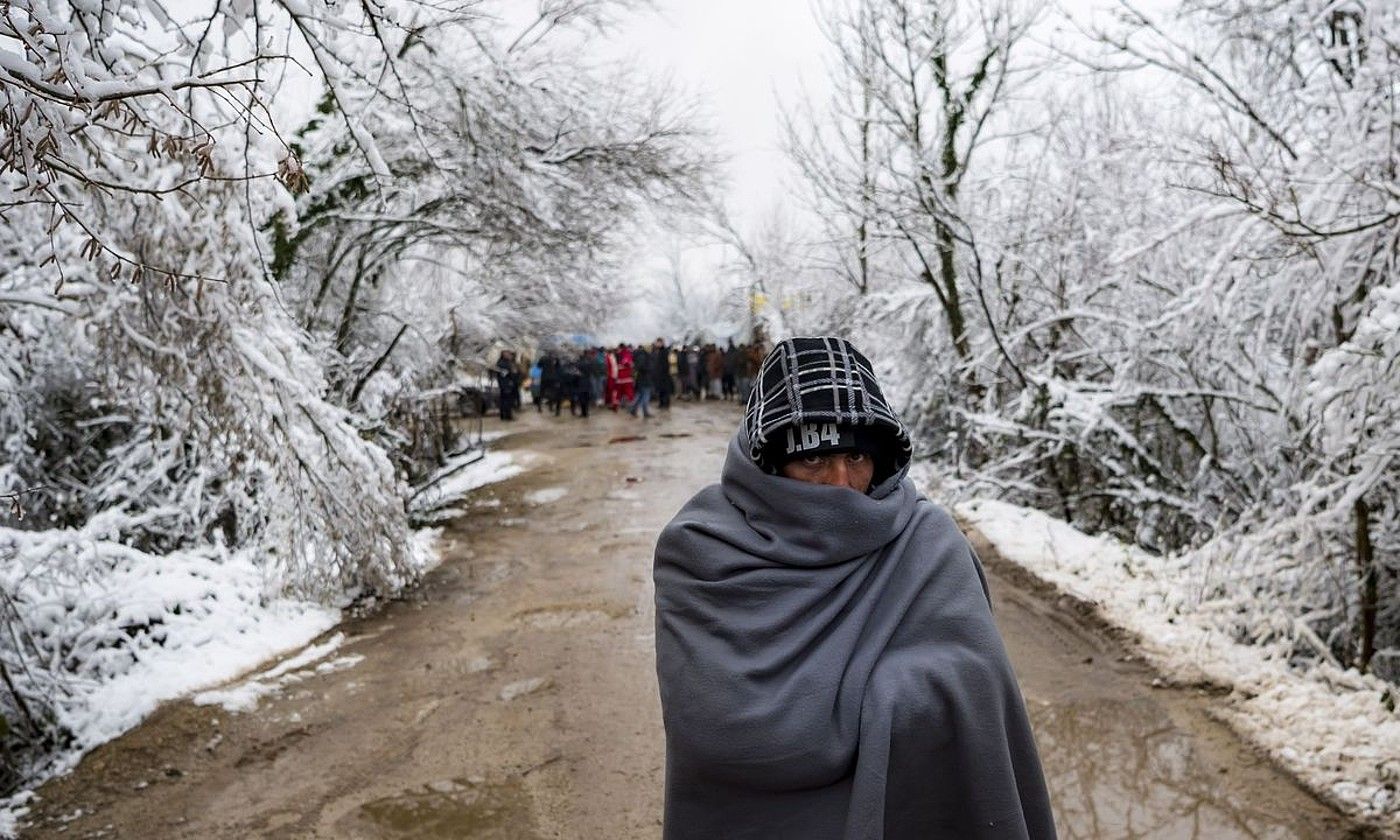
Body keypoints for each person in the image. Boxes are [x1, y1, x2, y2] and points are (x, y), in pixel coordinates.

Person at [653, 336, 1055, 840]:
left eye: (858, 459)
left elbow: (979, 684)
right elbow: (720, 729)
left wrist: (875, 694)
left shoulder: (926, 544)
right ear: (767, 464)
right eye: (815, 461)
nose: (842, 483)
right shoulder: (703, 552)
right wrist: (877, 695)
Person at [630, 342, 653, 419]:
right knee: (645, 396)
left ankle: (633, 409)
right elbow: (641, 367)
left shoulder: (640, 355)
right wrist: (649, 369)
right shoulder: (644, 356)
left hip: (641, 379)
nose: (651, 348)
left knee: (640, 395)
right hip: (645, 379)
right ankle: (645, 412)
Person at [493, 349, 517, 421]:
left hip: (505, 383)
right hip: (506, 384)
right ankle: (507, 415)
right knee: (507, 400)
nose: (509, 355)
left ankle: (504, 415)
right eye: (507, 354)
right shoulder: (502, 363)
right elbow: (504, 374)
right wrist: (512, 372)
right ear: (503, 354)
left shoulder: (506, 362)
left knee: (504, 400)